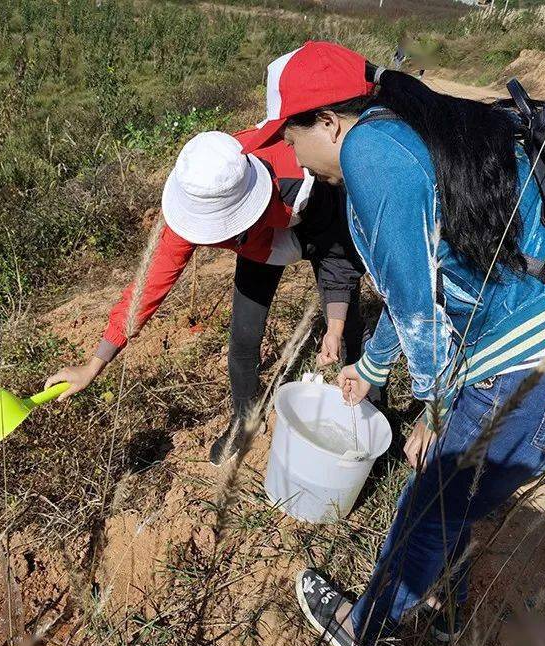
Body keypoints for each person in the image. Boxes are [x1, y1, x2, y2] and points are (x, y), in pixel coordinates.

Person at [241, 41, 545, 646]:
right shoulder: (402, 133)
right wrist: (372, 369)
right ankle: (448, 610)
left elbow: (416, 312)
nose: (295, 157)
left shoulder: (371, 155)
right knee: (450, 498)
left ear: (327, 121)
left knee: (430, 502)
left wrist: (432, 407)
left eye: (292, 140)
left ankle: (362, 629)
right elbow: (423, 280)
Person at [46, 129, 370, 465]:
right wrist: (93, 366)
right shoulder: (198, 193)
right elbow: (147, 290)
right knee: (243, 339)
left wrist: (334, 322)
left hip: (318, 227)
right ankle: (245, 420)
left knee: (349, 326)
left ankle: (367, 405)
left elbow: (337, 258)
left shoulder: (301, 172)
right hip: (261, 244)